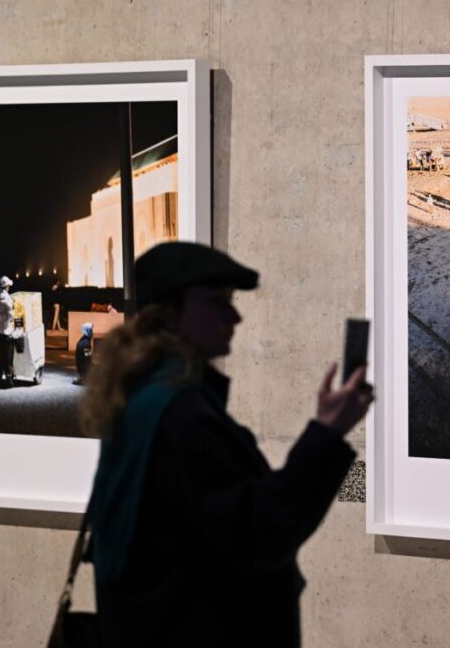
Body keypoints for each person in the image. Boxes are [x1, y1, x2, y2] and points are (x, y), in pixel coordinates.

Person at [86, 242, 373, 646]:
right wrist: (327, 433)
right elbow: (259, 532)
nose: (234, 316)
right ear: (169, 314)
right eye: (216, 302)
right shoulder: (181, 418)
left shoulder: (142, 399)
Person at [0, 276, 15, 388]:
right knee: (6, 356)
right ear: (6, 286)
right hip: (5, 332)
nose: (9, 287)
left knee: (2, 354)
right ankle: (9, 379)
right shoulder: (7, 299)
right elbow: (11, 315)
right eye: (9, 286)